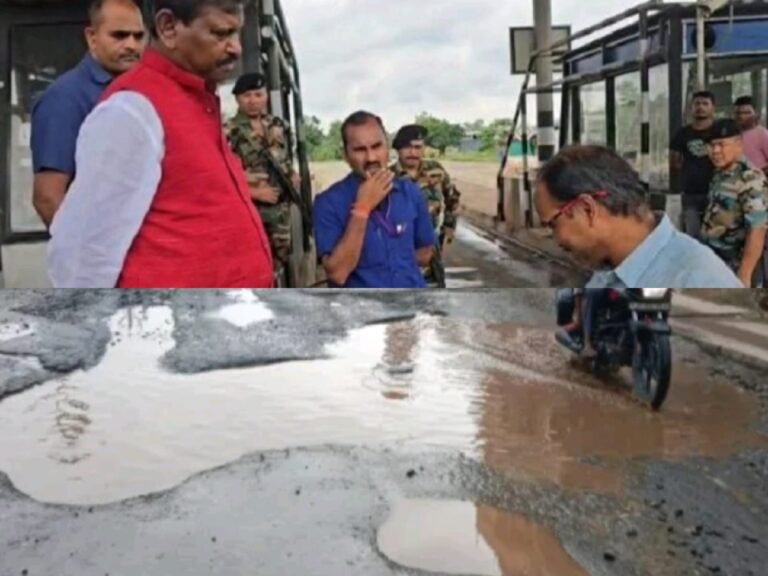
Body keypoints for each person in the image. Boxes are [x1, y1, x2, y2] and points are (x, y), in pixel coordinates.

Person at [47, 0, 273, 288]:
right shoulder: (132, 109)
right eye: (221, 33)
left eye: (236, 33)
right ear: (168, 28)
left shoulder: (199, 101)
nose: (236, 48)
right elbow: (83, 256)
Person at [533, 145, 742, 352]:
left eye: (553, 225)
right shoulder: (611, 268)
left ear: (588, 209)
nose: (556, 240)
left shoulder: (699, 279)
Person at [31, 0, 146, 228]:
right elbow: (48, 198)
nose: (132, 45)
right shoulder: (65, 98)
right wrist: (88, 259)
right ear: (92, 38)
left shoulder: (142, 90)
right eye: (119, 36)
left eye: (138, 36)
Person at [312, 111, 436, 288]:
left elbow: (425, 253)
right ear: (345, 155)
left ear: (387, 147)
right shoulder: (328, 203)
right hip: (362, 311)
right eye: (360, 150)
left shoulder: (410, 191)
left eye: (377, 146)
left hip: (411, 304)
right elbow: (338, 273)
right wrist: (362, 208)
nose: (371, 158)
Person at [226, 72, 300, 283]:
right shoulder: (228, 131)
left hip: (280, 210)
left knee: (279, 261)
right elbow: (223, 176)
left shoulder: (278, 125)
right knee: (254, 262)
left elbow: (286, 157)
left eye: (258, 95)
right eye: (246, 96)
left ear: (266, 96)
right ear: (237, 99)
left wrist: (292, 175)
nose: (253, 101)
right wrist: (254, 192)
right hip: (250, 210)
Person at [700, 119, 768, 288]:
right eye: (711, 145)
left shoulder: (750, 178)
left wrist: (744, 275)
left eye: (721, 145)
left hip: (735, 263)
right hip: (715, 259)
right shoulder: (720, 173)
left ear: (739, 144)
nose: (715, 151)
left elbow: (757, 230)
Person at [390, 124, 448, 288]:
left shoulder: (436, 171)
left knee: (434, 305)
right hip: (401, 256)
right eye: (407, 147)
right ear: (398, 150)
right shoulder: (387, 178)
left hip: (431, 255)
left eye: (418, 147)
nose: (413, 153)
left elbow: (453, 198)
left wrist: (446, 234)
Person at [670, 91, 717, 239]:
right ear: (691, 107)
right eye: (697, 104)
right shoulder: (683, 133)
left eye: (705, 104)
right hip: (690, 193)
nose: (701, 107)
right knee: (693, 235)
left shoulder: (720, 132)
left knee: (716, 235)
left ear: (713, 108)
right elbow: (674, 160)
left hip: (717, 192)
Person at [733, 95, 768, 176]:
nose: (742, 116)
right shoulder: (731, 134)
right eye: (738, 113)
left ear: (756, 113)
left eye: (747, 113)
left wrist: (757, 174)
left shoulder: (762, 134)